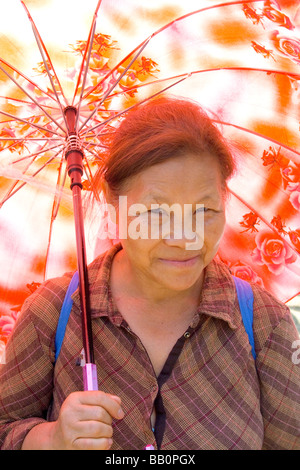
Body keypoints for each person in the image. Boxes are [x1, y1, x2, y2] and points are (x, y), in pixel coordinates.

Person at [0, 97, 299, 450]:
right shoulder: (53, 313)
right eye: (157, 211)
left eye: (204, 209)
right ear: (114, 201)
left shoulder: (265, 324)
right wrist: (50, 439)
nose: (185, 237)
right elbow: (7, 428)